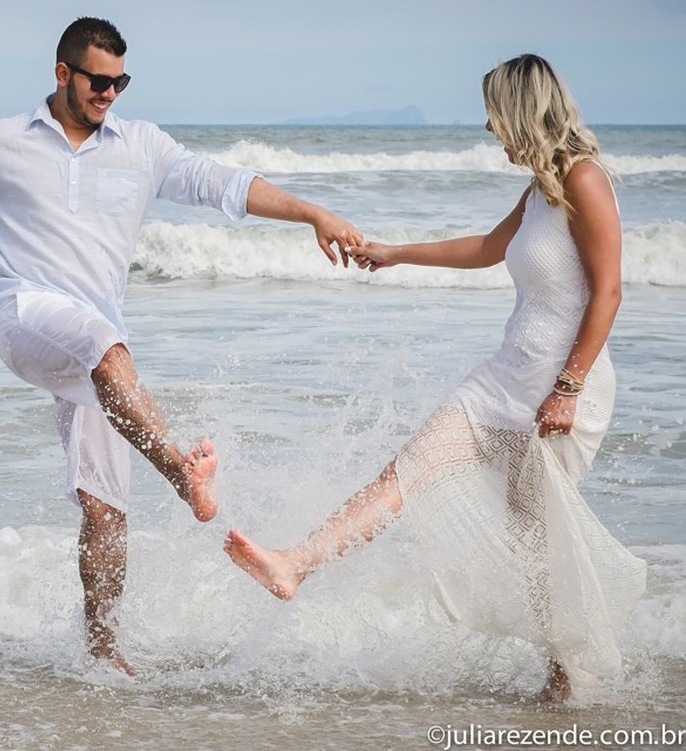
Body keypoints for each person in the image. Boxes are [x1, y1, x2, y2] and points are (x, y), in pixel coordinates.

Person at [0, 16, 362, 674]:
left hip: (96, 359)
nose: (109, 94)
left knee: (106, 510)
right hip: (22, 318)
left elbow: (225, 185)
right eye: (98, 81)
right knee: (105, 342)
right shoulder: (3, 141)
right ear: (62, 73)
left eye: (120, 81)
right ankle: (184, 474)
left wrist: (312, 214)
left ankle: (103, 653)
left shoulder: (142, 146)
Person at [225, 53, 647, 701]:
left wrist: (567, 389)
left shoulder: (586, 180)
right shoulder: (539, 190)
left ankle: (566, 675)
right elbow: (486, 247)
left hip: (561, 394)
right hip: (501, 382)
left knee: (538, 539)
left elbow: (610, 292)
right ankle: (294, 564)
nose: (488, 127)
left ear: (521, 111)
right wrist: (396, 253)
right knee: (406, 473)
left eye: (494, 113)